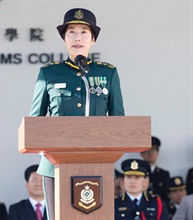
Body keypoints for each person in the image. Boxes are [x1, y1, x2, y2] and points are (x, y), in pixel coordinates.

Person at [29, 7, 125, 219]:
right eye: (71, 32)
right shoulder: (49, 73)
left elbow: (119, 121)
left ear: (93, 39)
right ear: (64, 39)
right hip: (54, 165)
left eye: (84, 32)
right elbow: (35, 122)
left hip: (98, 161)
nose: (77, 37)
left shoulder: (107, 72)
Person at [140, 136, 170, 203]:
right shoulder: (137, 173)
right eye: (147, 151)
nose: (150, 153)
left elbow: (166, 195)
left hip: (160, 207)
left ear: (158, 153)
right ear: (141, 153)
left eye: (153, 150)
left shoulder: (164, 174)